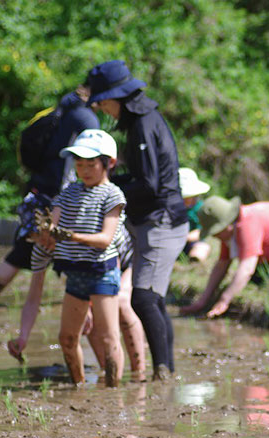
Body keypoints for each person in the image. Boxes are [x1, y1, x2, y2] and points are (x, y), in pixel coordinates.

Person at [87, 60, 189, 380]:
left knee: (143, 298)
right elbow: (144, 177)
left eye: (103, 103)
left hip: (163, 221)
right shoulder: (142, 121)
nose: (104, 110)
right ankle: (166, 369)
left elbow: (149, 185)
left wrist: (109, 191)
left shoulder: (144, 124)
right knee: (152, 300)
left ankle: (162, 372)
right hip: (159, 220)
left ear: (118, 98)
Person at [0, 86, 99, 306]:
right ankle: (86, 305)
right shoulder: (86, 118)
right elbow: (95, 158)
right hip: (62, 198)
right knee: (73, 252)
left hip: (38, 191)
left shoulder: (57, 113)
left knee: (24, 251)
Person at [8, 213, 148, 382]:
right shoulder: (41, 249)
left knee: (120, 303)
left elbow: (110, 268)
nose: (43, 244)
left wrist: (89, 305)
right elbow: (33, 298)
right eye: (34, 239)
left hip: (123, 261)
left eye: (43, 237)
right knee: (84, 319)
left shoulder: (78, 235)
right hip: (91, 272)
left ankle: (138, 374)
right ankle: (107, 373)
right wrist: (23, 336)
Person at [36, 129, 126, 386]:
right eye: (79, 164)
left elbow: (105, 239)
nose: (84, 170)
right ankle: (79, 386)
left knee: (108, 338)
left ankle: (113, 392)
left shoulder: (113, 195)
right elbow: (52, 227)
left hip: (101, 272)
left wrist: (70, 236)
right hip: (75, 272)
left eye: (91, 164)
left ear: (108, 163)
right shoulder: (68, 192)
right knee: (66, 337)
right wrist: (46, 234)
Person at [178, 167, 212, 262]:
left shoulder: (199, 208)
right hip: (171, 243)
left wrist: (184, 237)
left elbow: (201, 231)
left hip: (189, 242)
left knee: (202, 248)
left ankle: (193, 260)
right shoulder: (170, 209)